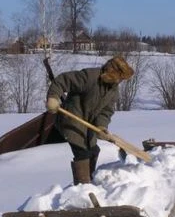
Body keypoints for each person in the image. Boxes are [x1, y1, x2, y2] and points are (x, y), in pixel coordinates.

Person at [45, 56, 134, 185]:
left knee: (94, 150)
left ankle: (89, 181)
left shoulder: (113, 91)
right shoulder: (89, 77)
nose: (120, 81)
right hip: (71, 119)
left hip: (88, 125)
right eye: (120, 77)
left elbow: (106, 112)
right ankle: (82, 187)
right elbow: (62, 80)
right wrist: (53, 97)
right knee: (82, 153)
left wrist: (102, 127)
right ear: (112, 73)